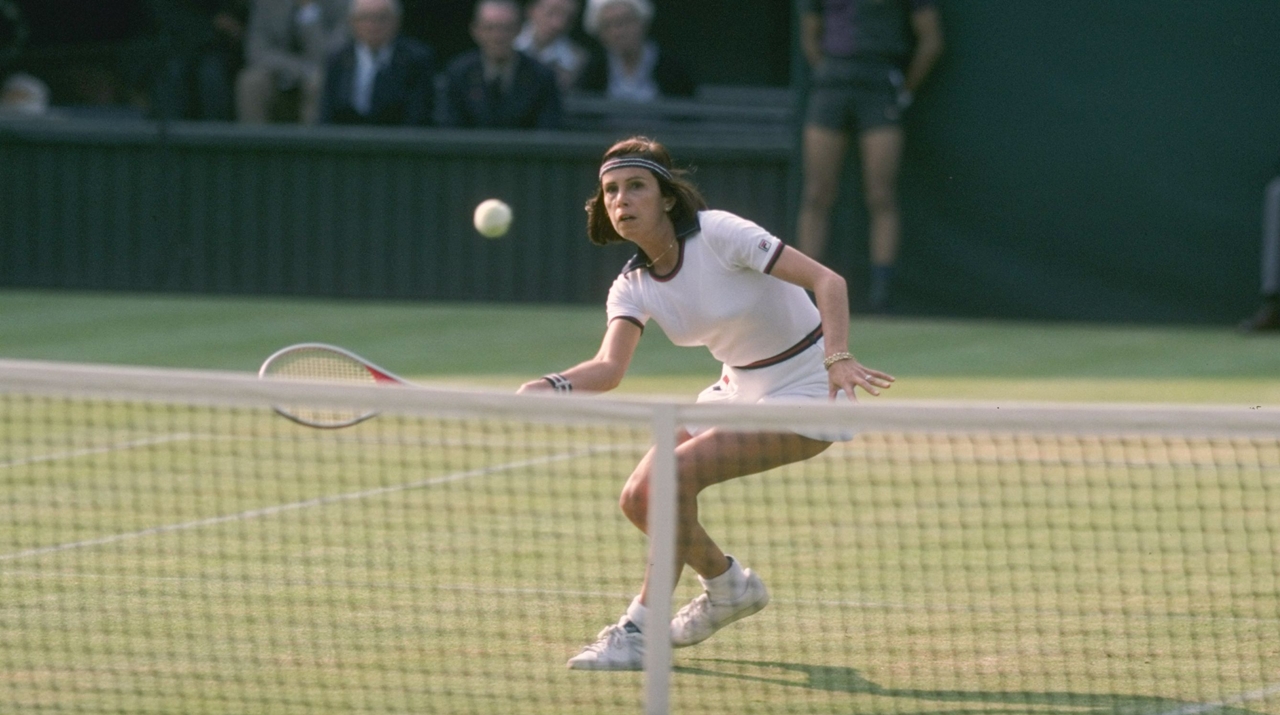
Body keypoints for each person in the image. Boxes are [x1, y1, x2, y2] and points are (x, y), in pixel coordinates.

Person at [517, 136, 894, 671]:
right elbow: (607, 369)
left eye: (636, 187)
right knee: (640, 497)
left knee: (672, 478)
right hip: (737, 386)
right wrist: (549, 385)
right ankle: (728, 587)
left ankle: (640, 629)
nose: (621, 200)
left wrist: (839, 357)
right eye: (610, 191)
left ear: (667, 197)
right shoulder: (632, 286)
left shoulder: (719, 232)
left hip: (808, 385)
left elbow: (827, 281)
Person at [795, 0, 944, 312]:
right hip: (831, 83)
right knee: (816, 193)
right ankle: (805, 294)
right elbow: (809, 32)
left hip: (879, 83)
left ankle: (881, 294)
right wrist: (825, 69)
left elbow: (931, 40)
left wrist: (904, 89)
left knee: (881, 194)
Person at [438, 0, 562, 129]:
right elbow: (450, 129)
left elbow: (547, 133)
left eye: (506, 28)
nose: (498, 36)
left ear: (518, 30)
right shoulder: (459, 73)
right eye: (489, 28)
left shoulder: (541, 77)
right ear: (475, 31)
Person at [318, 0, 435, 125]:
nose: (372, 25)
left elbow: (418, 114)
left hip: (397, 139)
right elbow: (326, 113)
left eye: (381, 18)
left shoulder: (416, 60)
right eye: (364, 18)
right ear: (352, 22)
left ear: (396, 21)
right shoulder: (338, 60)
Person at [236, 0, 350, 124]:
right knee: (251, 81)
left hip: (319, 70)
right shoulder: (266, 4)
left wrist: (308, 12)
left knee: (317, 82)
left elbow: (331, 55)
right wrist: (297, 69)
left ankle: (311, 141)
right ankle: (254, 141)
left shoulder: (340, 4)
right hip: (279, 69)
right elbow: (256, 51)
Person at [145, 0, 248, 121]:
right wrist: (214, 23)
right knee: (173, 71)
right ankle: (170, 138)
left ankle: (217, 136)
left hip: (222, 51)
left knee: (211, 74)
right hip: (177, 48)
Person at [574, 0, 693, 101]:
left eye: (624, 21)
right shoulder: (593, 71)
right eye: (607, 25)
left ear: (642, 22)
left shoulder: (672, 68)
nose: (617, 32)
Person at [514, 0, 585, 93]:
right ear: (531, 10)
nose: (558, 24)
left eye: (568, 18)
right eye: (551, 13)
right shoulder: (506, 42)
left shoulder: (578, 59)